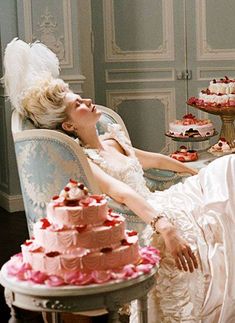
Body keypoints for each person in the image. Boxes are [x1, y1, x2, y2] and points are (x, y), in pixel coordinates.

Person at [3, 39, 235, 323]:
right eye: (79, 104)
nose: (88, 101)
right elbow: (122, 193)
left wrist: (196, 173)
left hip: (165, 198)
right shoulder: (87, 159)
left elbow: (155, 160)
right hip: (146, 214)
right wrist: (164, 225)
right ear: (69, 125)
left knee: (227, 167)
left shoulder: (112, 137)